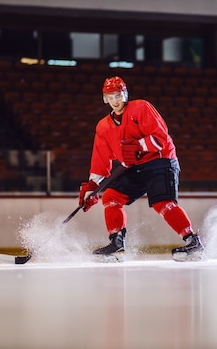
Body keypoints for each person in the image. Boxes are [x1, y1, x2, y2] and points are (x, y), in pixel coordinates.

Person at [78, 76, 204, 262]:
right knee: (112, 197)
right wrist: (91, 186)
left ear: (125, 95)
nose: (115, 101)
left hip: (159, 160)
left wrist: (139, 145)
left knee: (163, 203)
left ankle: (193, 242)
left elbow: (161, 138)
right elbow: (100, 158)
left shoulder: (140, 108)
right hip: (135, 167)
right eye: (110, 97)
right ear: (105, 99)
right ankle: (117, 244)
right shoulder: (103, 127)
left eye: (118, 96)